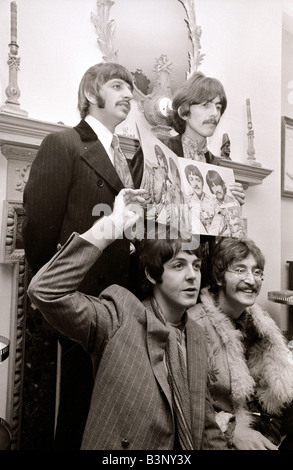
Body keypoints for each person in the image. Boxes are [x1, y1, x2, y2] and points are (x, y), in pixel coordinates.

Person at [27, 188, 229, 451]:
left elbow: (206, 427)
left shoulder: (197, 335)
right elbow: (44, 290)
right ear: (152, 275)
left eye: (196, 266)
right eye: (178, 265)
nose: (192, 276)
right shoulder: (119, 316)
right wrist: (113, 224)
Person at [22, 62, 140, 449]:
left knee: (101, 417)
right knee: (71, 416)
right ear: (92, 93)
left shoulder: (124, 156)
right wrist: (50, 306)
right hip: (74, 308)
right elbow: (38, 232)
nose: (129, 95)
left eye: (132, 88)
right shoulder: (64, 144)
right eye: (119, 85)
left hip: (116, 310)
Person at [188, 236, 293, 450]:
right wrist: (231, 431)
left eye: (257, 272)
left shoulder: (260, 322)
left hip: (270, 424)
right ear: (219, 277)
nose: (252, 280)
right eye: (240, 270)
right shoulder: (194, 324)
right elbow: (189, 403)